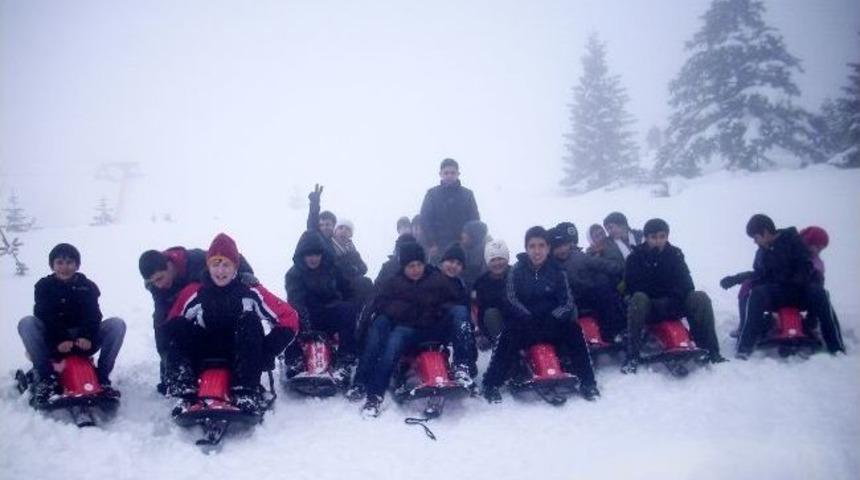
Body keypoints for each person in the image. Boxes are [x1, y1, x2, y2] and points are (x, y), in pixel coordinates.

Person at [163, 233, 298, 412]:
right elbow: (172, 323)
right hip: (205, 353)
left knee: (250, 321)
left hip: (241, 356)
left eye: (226, 264)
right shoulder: (195, 291)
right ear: (208, 266)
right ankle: (185, 389)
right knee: (179, 326)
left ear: (235, 267)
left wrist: (266, 351)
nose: (221, 271)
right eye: (215, 264)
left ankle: (245, 391)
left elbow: (289, 317)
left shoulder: (250, 291)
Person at [349, 242, 473, 417]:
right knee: (393, 344)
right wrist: (402, 310)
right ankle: (374, 396)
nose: (416, 270)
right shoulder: (394, 283)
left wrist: (439, 309)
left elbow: (455, 301)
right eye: (411, 266)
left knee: (460, 312)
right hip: (409, 329)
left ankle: (462, 367)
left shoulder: (437, 278)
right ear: (403, 267)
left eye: (419, 265)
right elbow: (381, 304)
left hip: (434, 327)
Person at [481, 227, 599, 403]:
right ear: (526, 248)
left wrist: (554, 317)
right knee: (508, 334)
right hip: (526, 324)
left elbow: (567, 301)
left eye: (541, 246)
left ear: (548, 248)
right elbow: (511, 298)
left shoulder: (558, 271)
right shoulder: (517, 270)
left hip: (552, 323)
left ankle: (587, 381)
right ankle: (491, 383)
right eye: (532, 246)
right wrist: (526, 316)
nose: (537, 251)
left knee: (574, 330)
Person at [18, 243, 126, 405]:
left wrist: (86, 336)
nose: (64, 267)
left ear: (76, 265)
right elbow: (45, 315)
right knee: (27, 323)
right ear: (52, 265)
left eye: (69, 262)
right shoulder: (44, 286)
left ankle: (102, 378)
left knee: (117, 325)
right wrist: (59, 340)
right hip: (53, 341)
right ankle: (46, 379)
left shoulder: (87, 286)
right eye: (59, 262)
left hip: (82, 340)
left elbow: (93, 315)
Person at [138, 245, 253, 394]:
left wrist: (245, 274)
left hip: (217, 308)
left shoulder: (196, 260)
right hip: (189, 321)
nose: (159, 284)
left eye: (160, 278)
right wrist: (169, 365)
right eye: (153, 282)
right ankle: (184, 377)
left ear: (169, 265)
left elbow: (229, 254)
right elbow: (162, 325)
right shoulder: (159, 288)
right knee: (174, 329)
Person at [727, 215, 844, 358]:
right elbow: (759, 274)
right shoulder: (761, 252)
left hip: (800, 291)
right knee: (756, 294)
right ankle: (744, 349)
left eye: (756, 237)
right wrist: (736, 278)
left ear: (765, 232)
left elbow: (806, 266)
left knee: (820, 293)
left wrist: (795, 279)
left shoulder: (793, 240)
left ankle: (836, 347)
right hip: (777, 293)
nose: (755, 241)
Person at [621, 219, 724, 373]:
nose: (658, 241)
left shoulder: (675, 254)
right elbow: (632, 285)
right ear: (646, 238)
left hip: (674, 302)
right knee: (638, 299)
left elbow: (687, 283)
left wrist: (675, 296)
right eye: (654, 237)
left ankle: (710, 349)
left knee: (700, 297)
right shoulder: (635, 257)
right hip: (649, 305)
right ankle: (632, 356)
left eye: (662, 236)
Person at [285, 231, 359, 383]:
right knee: (290, 318)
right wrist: (307, 327)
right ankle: (295, 361)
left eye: (316, 254)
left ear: (322, 254)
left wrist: (349, 307)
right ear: (302, 255)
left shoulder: (332, 269)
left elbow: (348, 291)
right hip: (307, 316)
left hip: (329, 312)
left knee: (348, 309)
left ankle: (345, 361)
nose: (313, 258)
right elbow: (296, 301)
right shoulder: (294, 274)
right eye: (309, 255)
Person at [549, 222, 626, 342]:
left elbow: (601, 265)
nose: (562, 250)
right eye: (557, 248)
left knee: (603, 286)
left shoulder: (578, 257)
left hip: (587, 294)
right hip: (568, 300)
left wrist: (622, 269)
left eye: (564, 245)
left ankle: (613, 332)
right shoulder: (551, 266)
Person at [419, 158, 480, 262]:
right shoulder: (432, 194)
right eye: (446, 173)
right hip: (438, 248)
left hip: (462, 246)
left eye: (452, 173)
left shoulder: (467, 195)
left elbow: (475, 220)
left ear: (458, 174)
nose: (449, 176)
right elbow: (425, 219)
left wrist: (468, 240)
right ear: (440, 174)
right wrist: (431, 243)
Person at [437, 242, 479, 377]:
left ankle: (462, 364)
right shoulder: (431, 277)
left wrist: (470, 357)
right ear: (442, 261)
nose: (454, 266)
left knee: (461, 312)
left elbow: (465, 324)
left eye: (458, 264)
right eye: (450, 261)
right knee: (459, 311)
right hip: (428, 322)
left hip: (448, 327)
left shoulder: (461, 287)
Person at [472, 239, 512, 350]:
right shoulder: (481, 283)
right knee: (491, 313)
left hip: (517, 321)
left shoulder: (517, 275)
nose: (497, 263)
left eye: (500, 258)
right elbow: (479, 310)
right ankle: (502, 348)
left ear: (507, 258)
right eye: (493, 260)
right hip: (495, 324)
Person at [331, 218, 374, 303]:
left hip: (352, 285)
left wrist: (354, 269)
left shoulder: (352, 250)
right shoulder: (329, 248)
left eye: (347, 229)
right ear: (335, 231)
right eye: (340, 228)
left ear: (351, 234)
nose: (344, 231)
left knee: (367, 283)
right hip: (336, 286)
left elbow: (364, 268)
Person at [460, 220, 489, 290]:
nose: (462, 235)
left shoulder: (485, 254)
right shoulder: (461, 249)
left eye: (466, 233)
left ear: (473, 236)